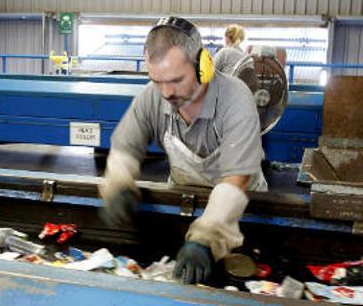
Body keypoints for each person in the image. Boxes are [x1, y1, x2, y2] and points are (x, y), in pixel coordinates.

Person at [98, 16, 267, 285]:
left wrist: (205, 237)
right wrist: (118, 183)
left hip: (240, 213)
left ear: (203, 66)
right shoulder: (153, 94)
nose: (166, 93)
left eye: (176, 80)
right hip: (184, 205)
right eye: (157, 80)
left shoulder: (236, 98)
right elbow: (125, 147)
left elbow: (237, 179)